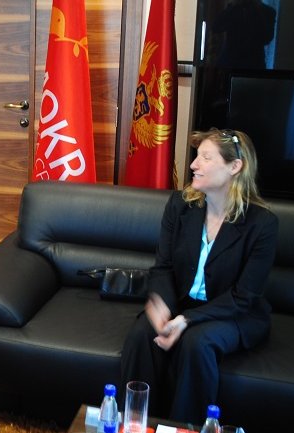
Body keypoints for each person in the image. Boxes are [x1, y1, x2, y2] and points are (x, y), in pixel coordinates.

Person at [121, 129, 278, 424]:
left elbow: (243, 297)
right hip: (182, 304)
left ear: (235, 167)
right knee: (143, 333)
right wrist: (162, 304)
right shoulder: (180, 206)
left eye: (205, 157)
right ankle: (135, 423)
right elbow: (163, 267)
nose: (193, 164)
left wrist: (186, 319)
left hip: (233, 314)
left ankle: (186, 429)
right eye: (196, 156)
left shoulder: (263, 224)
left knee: (197, 342)